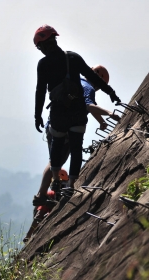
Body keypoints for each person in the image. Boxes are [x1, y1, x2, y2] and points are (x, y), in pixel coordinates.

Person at [33, 25, 121, 195]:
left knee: (57, 146)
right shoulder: (72, 57)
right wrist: (111, 93)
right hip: (78, 111)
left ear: (43, 45)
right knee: (76, 148)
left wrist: (37, 115)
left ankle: (57, 181)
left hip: (59, 112)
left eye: (39, 47)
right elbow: (93, 76)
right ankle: (72, 185)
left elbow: (40, 91)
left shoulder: (43, 64)